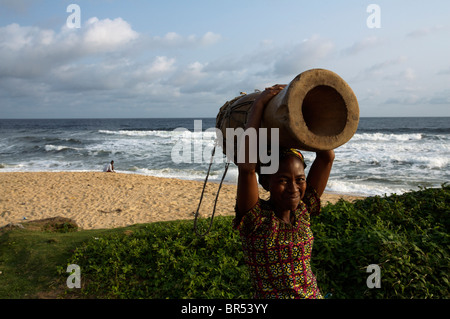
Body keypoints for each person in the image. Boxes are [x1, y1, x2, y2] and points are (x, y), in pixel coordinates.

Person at [233, 84, 335, 299]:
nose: (294, 188)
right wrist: (259, 104)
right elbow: (246, 168)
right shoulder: (257, 220)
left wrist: (303, 114)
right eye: (283, 180)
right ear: (266, 182)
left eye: (300, 180)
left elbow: (327, 157)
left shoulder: (303, 211)